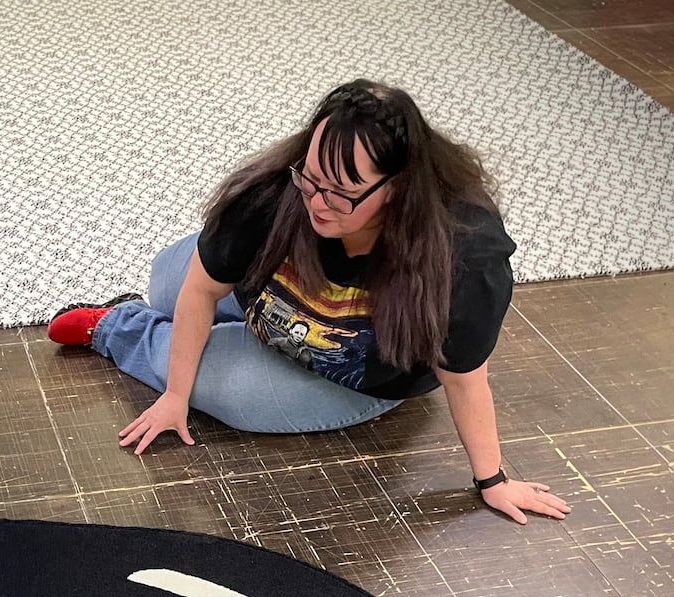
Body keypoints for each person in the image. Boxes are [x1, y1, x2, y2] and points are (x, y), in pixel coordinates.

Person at [47, 80, 568, 525]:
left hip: (352, 371)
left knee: (234, 397)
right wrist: (174, 395)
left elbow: (464, 378)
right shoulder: (276, 192)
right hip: (269, 305)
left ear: (400, 188)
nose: (317, 202)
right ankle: (166, 323)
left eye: (342, 193)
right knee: (170, 280)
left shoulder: (463, 254)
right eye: (311, 178)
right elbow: (203, 289)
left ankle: (117, 325)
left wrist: (491, 481)